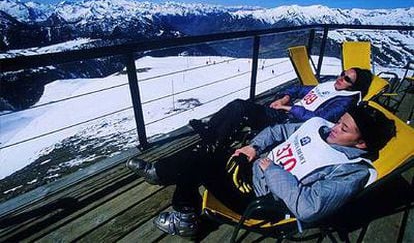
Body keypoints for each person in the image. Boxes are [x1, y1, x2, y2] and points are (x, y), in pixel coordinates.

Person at [126, 103, 395, 237]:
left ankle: (185, 215)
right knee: (207, 152)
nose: (335, 127)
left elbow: (309, 207)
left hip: (261, 198)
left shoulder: (352, 170)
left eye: (344, 129)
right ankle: (163, 173)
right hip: (251, 167)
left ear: (361, 143)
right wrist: (254, 148)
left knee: (202, 161)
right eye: (340, 121)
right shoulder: (320, 127)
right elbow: (278, 130)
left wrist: (269, 166)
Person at [189, 68, 373, 148]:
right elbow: (300, 88)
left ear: (354, 87)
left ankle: (213, 141)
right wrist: (286, 97)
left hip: (289, 121)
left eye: (347, 79)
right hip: (285, 111)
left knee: (240, 107)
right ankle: (211, 132)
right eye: (343, 73)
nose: (341, 78)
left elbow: (318, 118)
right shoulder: (329, 85)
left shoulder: (344, 101)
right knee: (240, 106)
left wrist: (288, 108)